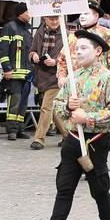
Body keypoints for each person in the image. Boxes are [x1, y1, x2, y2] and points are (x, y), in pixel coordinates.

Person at [20, 30, 110, 220]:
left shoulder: (108, 78)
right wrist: (68, 107)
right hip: (73, 140)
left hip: (96, 141)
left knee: (99, 189)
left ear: (97, 51)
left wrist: (88, 118)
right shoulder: (73, 78)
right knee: (64, 187)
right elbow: (57, 104)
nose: (78, 52)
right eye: (76, 49)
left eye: (83, 48)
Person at [57, 0, 110, 84]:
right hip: (74, 87)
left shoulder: (108, 35)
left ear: (96, 16)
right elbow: (62, 60)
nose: (82, 16)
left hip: (98, 89)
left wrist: (104, 85)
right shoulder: (73, 36)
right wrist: (62, 78)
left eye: (86, 13)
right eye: (81, 14)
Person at [28, 15, 69, 150]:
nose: (55, 22)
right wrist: (33, 55)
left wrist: (56, 62)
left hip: (57, 77)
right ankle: (68, 136)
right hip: (42, 75)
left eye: (57, 19)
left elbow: (71, 56)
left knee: (46, 107)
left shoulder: (66, 34)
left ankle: (39, 139)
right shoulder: (40, 33)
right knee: (54, 109)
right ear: (45, 19)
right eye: (52, 19)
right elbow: (32, 50)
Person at [0, 2, 35, 141]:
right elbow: (2, 49)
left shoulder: (26, 30)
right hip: (13, 74)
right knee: (14, 102)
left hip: (26, 75)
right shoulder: (9, 27)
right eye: (27, 12)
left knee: (23, 103)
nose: (30, 15)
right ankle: (11, 130)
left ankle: (20, 128)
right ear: (20, 13)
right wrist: (7, 68)